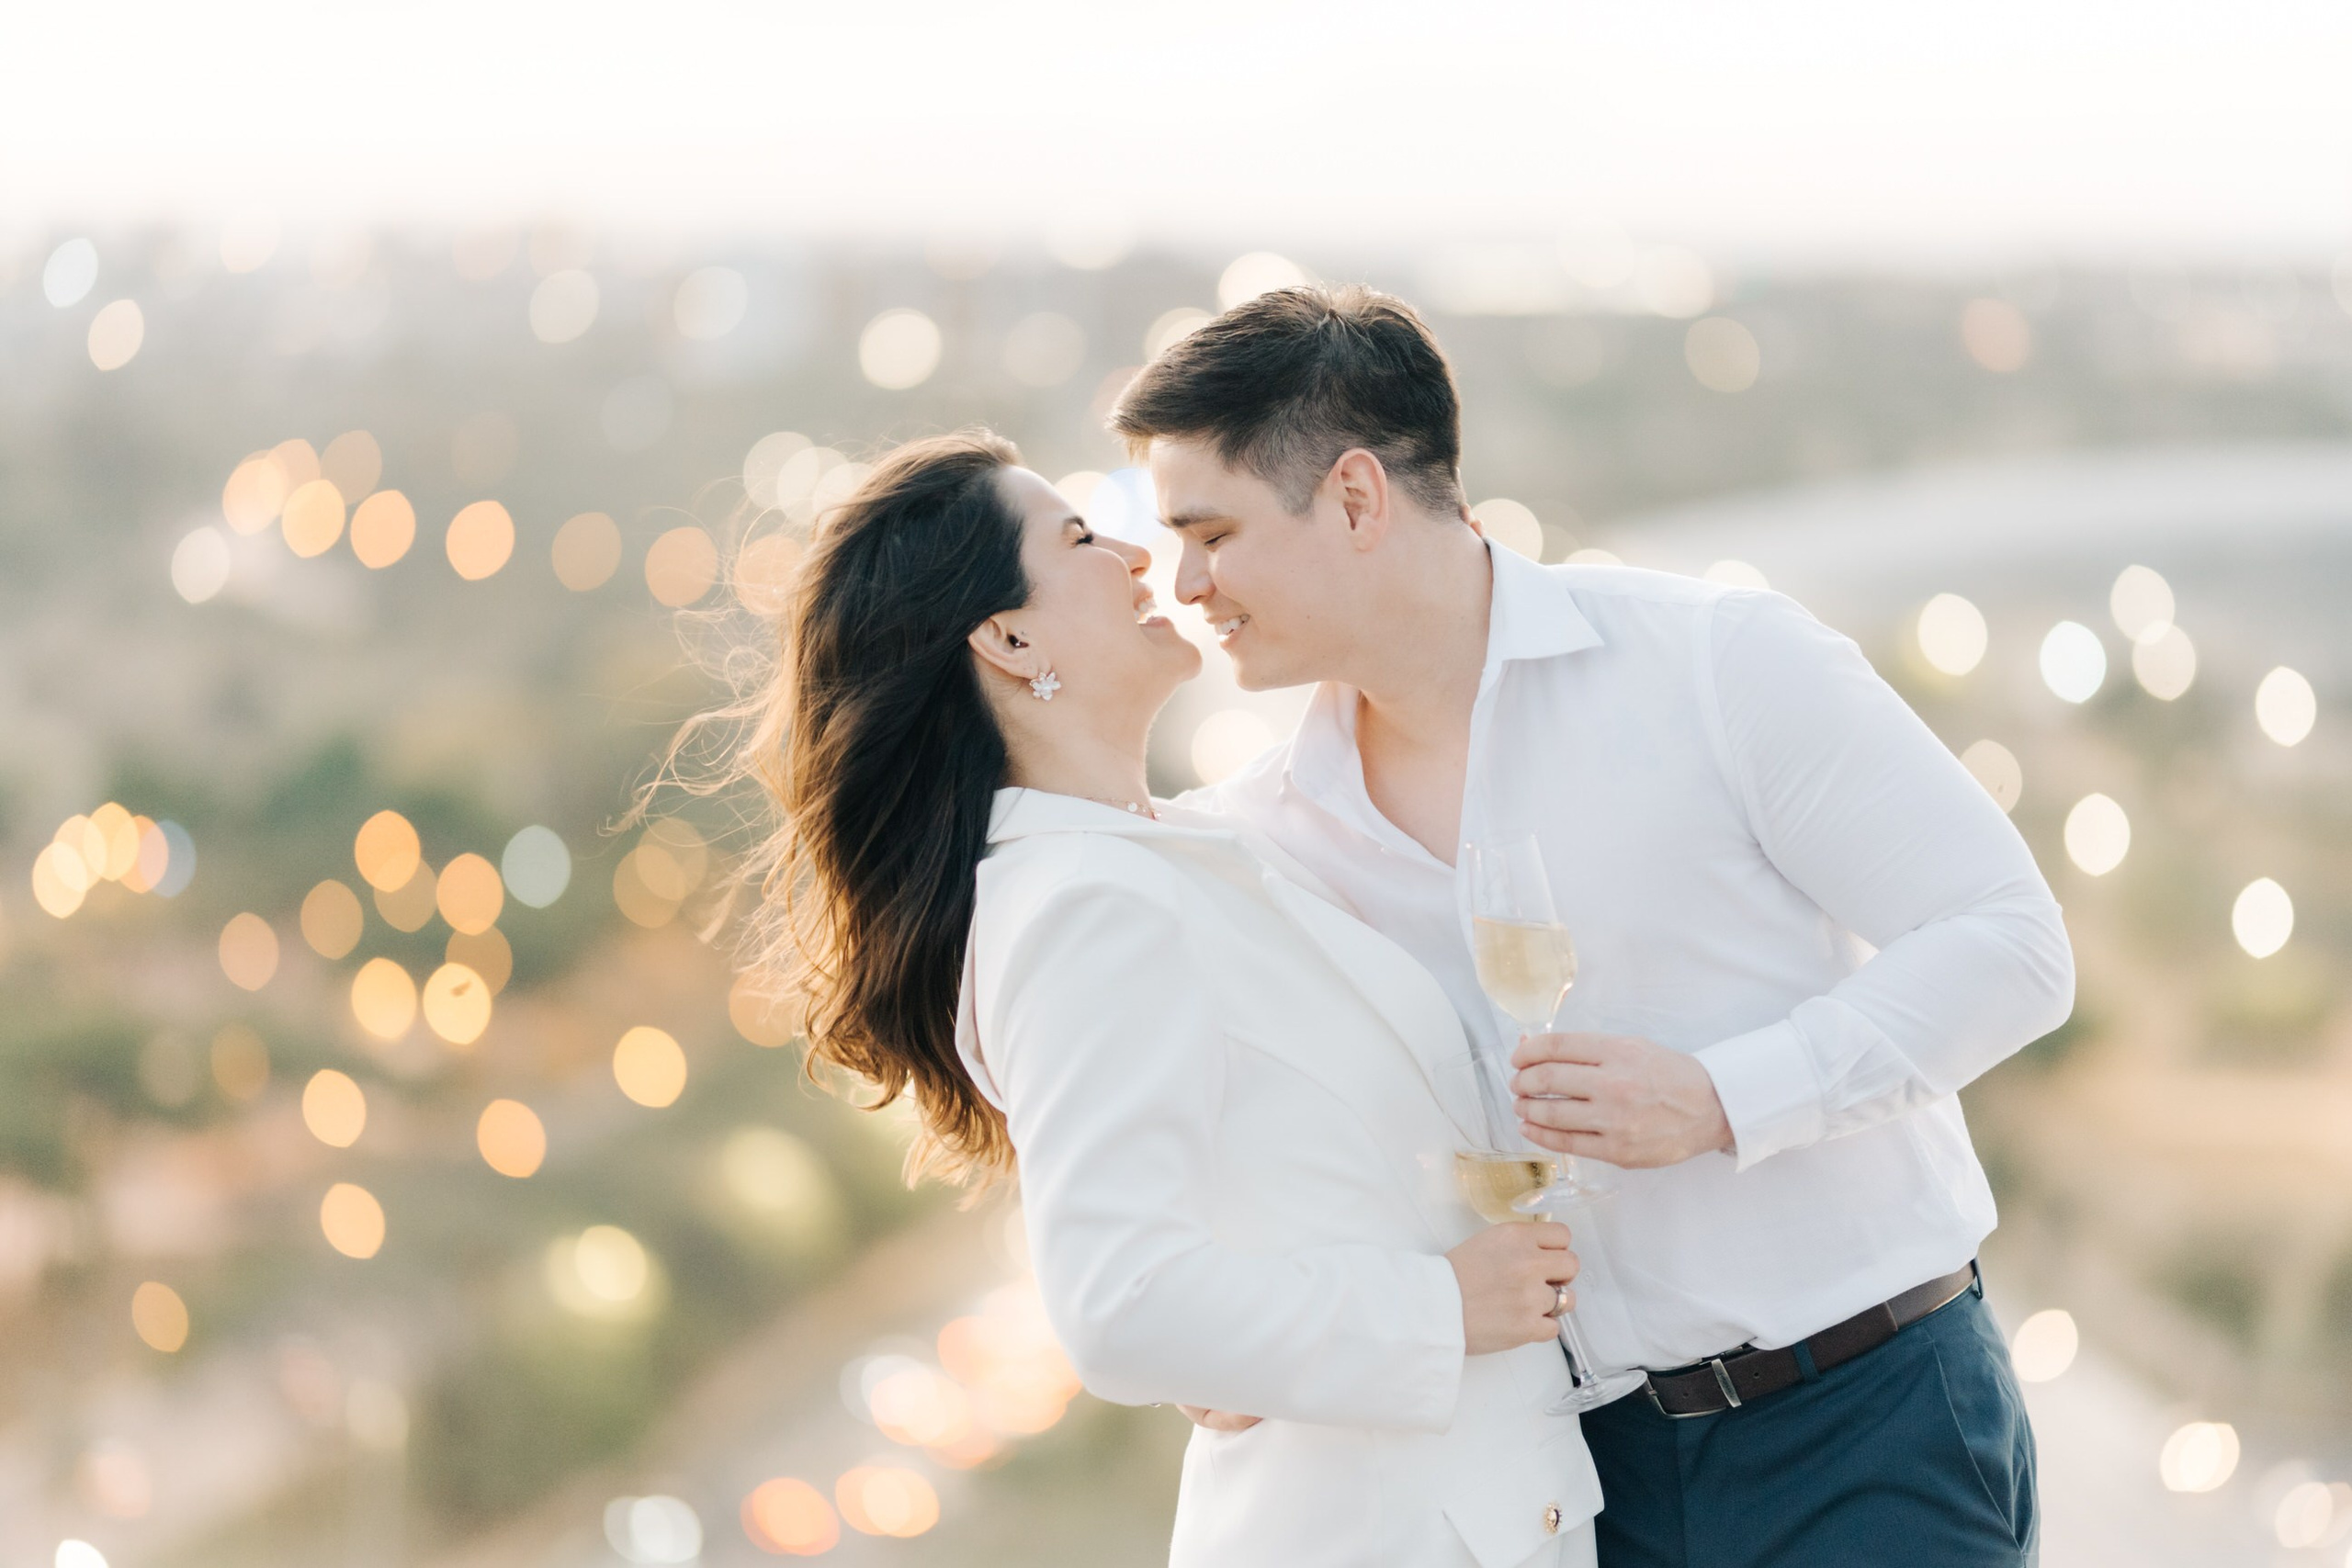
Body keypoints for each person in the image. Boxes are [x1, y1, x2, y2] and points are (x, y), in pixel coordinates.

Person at [1117, 286, 2075, 1567]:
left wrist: (1723, 1095)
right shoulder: (1271, 833)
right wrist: (1246, 1328)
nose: (1185, 584)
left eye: (1210, 531)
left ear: (1354, 497)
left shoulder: (1715, 664)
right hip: (1571, 1479)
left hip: (1866, 1419)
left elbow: (2011, 941)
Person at [747, 431, 1601, 1566]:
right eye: (1083, 540)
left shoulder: (1189, 849)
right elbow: (1121, 1302)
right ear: (1007, 637)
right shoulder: (1081, 909)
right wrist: (1437, 1308)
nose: (1141, 559)